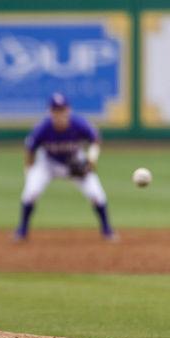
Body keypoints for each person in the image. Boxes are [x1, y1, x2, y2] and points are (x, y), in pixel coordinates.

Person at [15, 93, 115, 241]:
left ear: (68, 110)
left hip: (74, 162)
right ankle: (22, 231)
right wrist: (29, 171)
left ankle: (107, 231)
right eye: (56, 111)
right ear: (50, 112)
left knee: (97, 194)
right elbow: (29, 149)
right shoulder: (43, 127)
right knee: (30, 193)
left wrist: (92, 158)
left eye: (62, 110)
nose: (59, 114)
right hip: (47, 165)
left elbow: (96, 139)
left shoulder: (78, 124)